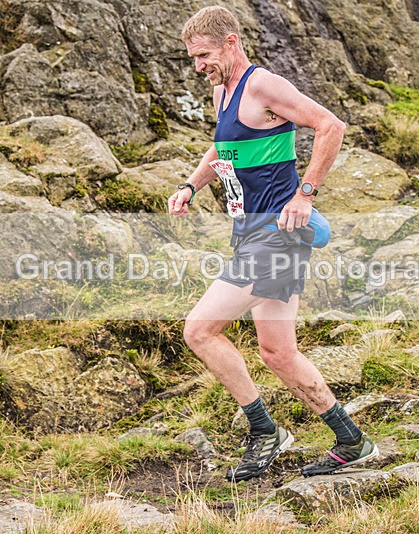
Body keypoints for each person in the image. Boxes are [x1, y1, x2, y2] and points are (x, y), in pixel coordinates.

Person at [168, 5, 378, 482]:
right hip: (250, 235)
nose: (198, 66)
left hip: (276, 237)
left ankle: (264, 430)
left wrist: (306, 193)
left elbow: (331, 125)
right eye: (193, 58)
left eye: (203, 55)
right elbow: (224, 147)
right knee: (278, 353)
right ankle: (351, 439)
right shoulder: (222, 90)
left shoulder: (262, 85)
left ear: (231, 42)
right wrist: (192, 185)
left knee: (199, 330)